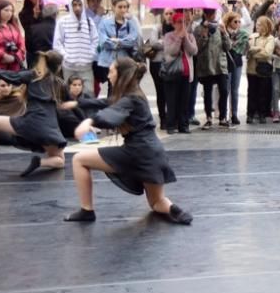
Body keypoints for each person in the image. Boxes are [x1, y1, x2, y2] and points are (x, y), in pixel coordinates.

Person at [64, 58, 192, 225]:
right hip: (153, 153)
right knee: (156, 202)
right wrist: (77, 103)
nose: (108, 75)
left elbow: (112, 114)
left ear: (121, 75)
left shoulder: (130, 99)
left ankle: (86, 210)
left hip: (137, 151)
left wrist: (90, 122)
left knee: (79, 159)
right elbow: (106, 103)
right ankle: (175, 210)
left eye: (111, 71)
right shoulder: (134, 95)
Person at [0, 51, 68, 177]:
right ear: (59, 67)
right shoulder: (60, 84)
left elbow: (5, 74)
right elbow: (74, 103)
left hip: (31, 123)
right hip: (49, 129)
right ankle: (40, 162)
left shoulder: (33, 75)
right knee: (60, 161)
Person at [53, 0, 99, 94]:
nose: (77, 8)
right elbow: (57, 43)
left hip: (86, 66)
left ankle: (87, 110)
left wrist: (91, 54)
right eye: (74, 5)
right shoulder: (63, 22)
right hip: (69, 66)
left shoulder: (89, 22)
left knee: (88, 92)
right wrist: (66, 56)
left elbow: (95, 40)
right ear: (70, 6)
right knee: (69, 93)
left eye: (79, 4)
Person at [161, 12, 198, 134]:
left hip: (186, 73)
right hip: (172, 73)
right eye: (178, 22)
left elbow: (193, 51)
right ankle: (171, 125)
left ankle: (184, 125)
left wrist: (185, 37)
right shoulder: (168, 36)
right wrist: (178, 38)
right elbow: (171, 51)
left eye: (183, 22)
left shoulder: (190, 36)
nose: (181, 24)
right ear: (173, 23)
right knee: (172, 100)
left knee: (184, 101)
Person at [96, 0, 141, 82]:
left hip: (124, 60)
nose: (123, 10)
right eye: (120, 7)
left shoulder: (130, 23)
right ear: (113, 7)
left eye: (125, 7)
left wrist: (116, 41)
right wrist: (123, 42)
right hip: (109, 60)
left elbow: (132, 41)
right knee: (111, 86)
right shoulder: (104, 22)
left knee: (123, 85)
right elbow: (104, 42)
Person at [145, 9, 174, 126]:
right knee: (160, 91)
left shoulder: (177, 27)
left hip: (172, 63)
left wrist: (163, 42)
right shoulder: (157, 28)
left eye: (171, 13)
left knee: (171, 92)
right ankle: (163, 118)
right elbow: (153, 43)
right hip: (157, 63)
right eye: (166, 13)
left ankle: (171, 117)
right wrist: (169, 41)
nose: (168, 16)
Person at [246, 16, 275, 124]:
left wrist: (255, 49)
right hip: (251, 69)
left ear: (265, 26)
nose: (257, 26)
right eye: (256, 24)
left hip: (263, 69)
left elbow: (267, 53)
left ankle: (262, 114)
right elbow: (247, 51)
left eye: (259, 24)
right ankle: (250, 114)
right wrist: (257, 50)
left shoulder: (270, 38)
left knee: (262, 93)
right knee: (251, 93)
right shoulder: (252, 36)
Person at [19, 0, 52, 68]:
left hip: (46, 48)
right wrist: (34, 17)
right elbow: (29, 30)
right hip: (33, 49)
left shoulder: (46, 11)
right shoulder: (23, 13)